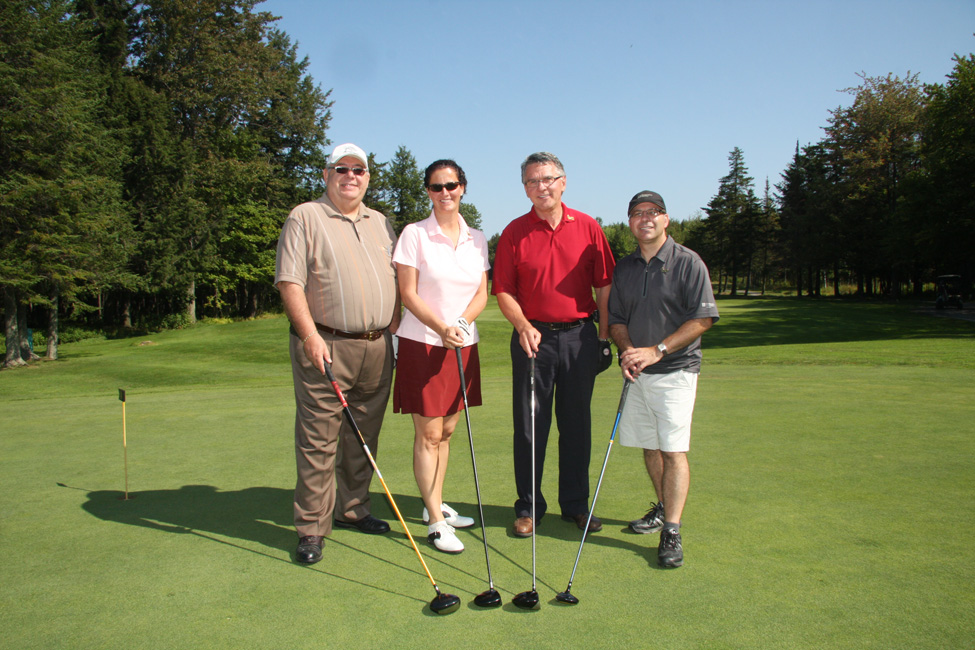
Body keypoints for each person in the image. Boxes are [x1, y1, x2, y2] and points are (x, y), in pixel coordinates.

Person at [275, 142, 400, 565]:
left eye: (358, 170)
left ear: (368, 177)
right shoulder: (305, 216)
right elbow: (290, 282)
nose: (351, 176)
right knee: (318, 439)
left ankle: (353, 508)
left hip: (377, 346)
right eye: (341, 169)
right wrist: (309, 335)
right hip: (325, 344)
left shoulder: (381, 222)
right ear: (326, 174)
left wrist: (394, 327)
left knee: (363, 435)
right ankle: (312, 527)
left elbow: (397, 280)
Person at [492, 152, 616, 537]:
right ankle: (529, 507)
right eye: (532, 181)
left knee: (576, 424)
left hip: (580, 337)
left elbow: (604, 287)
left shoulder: (589, 227)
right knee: (531, 426)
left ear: (563, 182)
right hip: (533, 340)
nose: (540, 187)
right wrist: (522, 325)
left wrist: (603, 337)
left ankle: (576, 505)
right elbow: (503, 290)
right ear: (525, 188)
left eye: (547, 179)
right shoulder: (514, 232)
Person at [607, 190, 719, 568]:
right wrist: (628, 352)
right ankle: (662, 508)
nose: (646, 218)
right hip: (638, 373)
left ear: (666, 219)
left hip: (675, 370)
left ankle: (672, 529)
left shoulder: (688, 262)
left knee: (672, 450)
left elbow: (703, 319)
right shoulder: (624, 268)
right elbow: (616, 320)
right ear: (630, 223)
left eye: (653, 212)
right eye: (637, 213)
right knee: (650, 446)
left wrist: (657, 350)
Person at [392, 159, 490, 554]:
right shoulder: (414, 234)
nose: (444, 193)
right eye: (436, 187)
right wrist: (441, 328)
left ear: (462, 187)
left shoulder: (477, 238)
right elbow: (408, 293)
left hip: (462, 345)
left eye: (451, 185)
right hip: (422, 344)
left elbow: (482, 292)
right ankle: (434, 522)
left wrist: (461, 324)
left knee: (447, 432)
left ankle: (435, 502)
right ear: (429, 192)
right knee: (429, 434)